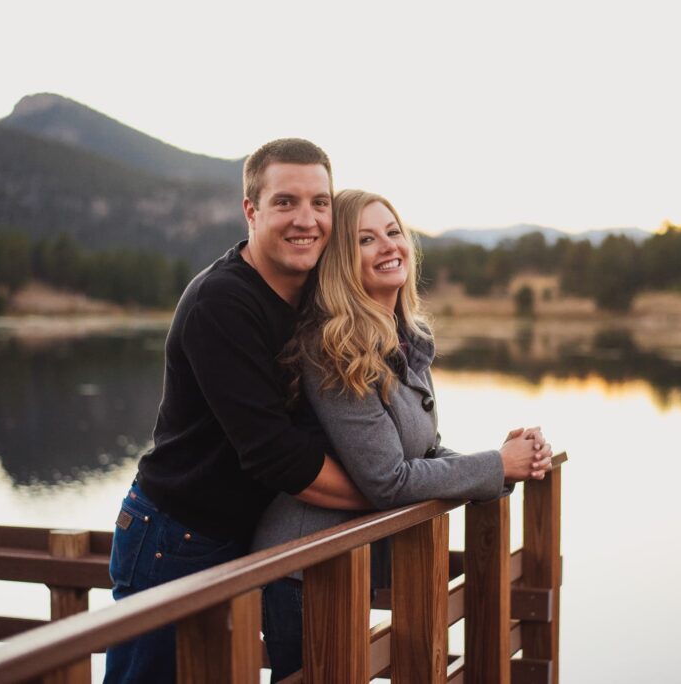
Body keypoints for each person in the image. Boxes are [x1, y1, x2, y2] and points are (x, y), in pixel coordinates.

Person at [251, 189, 554, 680]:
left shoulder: (404, 336)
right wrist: (498, 465)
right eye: (366, 239)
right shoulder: (333, 349)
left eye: (393, 232)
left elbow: (424, 451)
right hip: (303, 570)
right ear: (343, 263)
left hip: (350, 561)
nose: (388, 246)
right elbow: (387, 479)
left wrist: (506, 459)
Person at [104, 139, 370, 683]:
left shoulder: (317, 294)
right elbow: (277, 457)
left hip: (242, 538)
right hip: (174, 536)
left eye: (320, 203)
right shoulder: (220, 304)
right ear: (251, 210)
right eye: (285, 202)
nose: (307, 220)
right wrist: (388, 490)